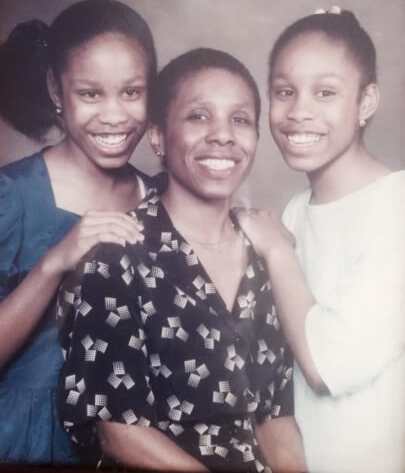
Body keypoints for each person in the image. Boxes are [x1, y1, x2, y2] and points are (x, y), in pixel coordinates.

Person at [57, 48, 306, 472]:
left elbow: (274, 413)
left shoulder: (264, 258)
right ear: (157, 136)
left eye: (240, 119)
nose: (223, 135)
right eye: (199, 116)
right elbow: (117, 430)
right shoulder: (118, 255)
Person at [235, 8, 405, 473]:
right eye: (285, 92)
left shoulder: (396, 207)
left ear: (367, 101)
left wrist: (276, 248)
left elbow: (328, 367)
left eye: (325, 92)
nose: (299, 111)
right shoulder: (296, 209)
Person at [0, 0, 157, 465]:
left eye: (132, 92)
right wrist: (55, 262)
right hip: (28, 444)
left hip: (132, 444)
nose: (114, 116)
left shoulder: (160, 198)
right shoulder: (14, 196)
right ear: (56, 88)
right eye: (91, 94)